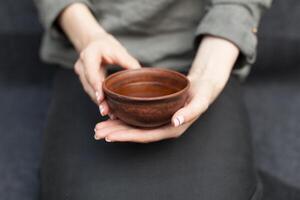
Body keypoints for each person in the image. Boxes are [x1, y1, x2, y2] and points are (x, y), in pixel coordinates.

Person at [34, 0, 272, 199]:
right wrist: (88, 39)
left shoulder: (207, 67)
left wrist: (209, 71)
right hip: (89, 57)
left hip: (205, 56)